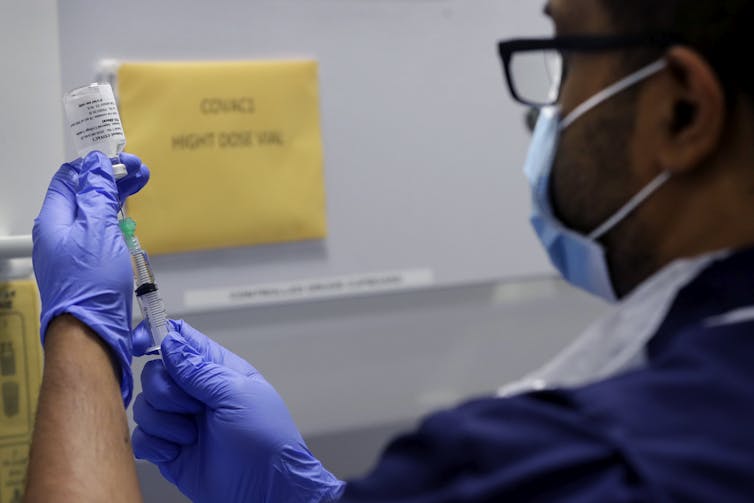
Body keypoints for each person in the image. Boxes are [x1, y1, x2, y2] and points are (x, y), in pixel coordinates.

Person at [25, 0, 754, 500]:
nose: (544, 110)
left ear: (683, 109)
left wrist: (83, 335)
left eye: (564, 55)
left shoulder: (569, 463)